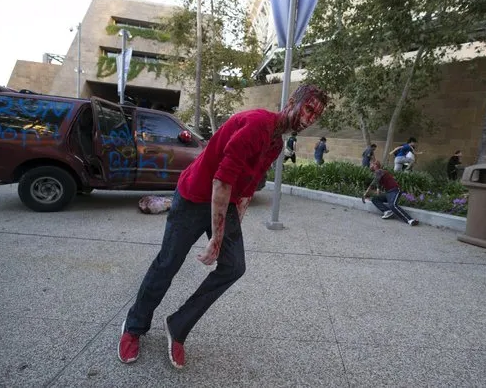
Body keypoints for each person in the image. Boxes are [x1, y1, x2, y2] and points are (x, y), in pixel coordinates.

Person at [117, 85, 328, 367]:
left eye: (316, 114)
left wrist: (230, 232)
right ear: (292, 102)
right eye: (309, 108)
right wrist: (216, 239)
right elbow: (221, 182)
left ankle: (177, 326)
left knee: (234, 266)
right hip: (194, 197)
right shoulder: (256, 125)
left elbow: (245, 192)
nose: (310, 117)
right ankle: (134, 327)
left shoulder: (276, 144)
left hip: (223, 202)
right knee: (168, 263)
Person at [362, 161, 419, 226]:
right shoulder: (378, 174)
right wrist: (372, 194)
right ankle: (387, 211)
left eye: (371, 164)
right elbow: (377, 186)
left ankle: (410, 220)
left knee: (393, 205)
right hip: (388, 193)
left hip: (394, 191)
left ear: (375, 165)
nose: (370, 166)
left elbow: (373, 184)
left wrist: (365, 194)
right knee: (375, 199)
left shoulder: (379, 171)